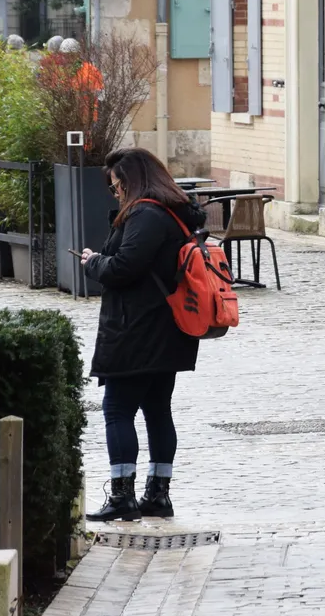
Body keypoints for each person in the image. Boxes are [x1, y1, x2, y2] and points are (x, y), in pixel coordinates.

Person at [80, 147, 208, 521]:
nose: (115, 192)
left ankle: (123, 497)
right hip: (167, 328)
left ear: (133, 181)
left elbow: (124, 268)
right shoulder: (170, 213)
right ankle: (158, 495)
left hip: (138, 329)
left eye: (117, 185)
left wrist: (93, 263)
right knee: (156, 410)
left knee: (118, 410)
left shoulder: (146, 215)